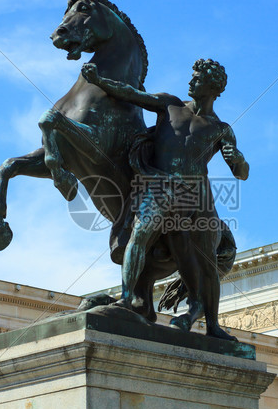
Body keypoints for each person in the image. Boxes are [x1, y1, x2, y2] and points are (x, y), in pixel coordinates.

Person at [81, 59, 249, 339]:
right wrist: (99, 80)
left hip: (194, 196)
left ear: (213, 87)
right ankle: (127, 297)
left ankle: (213, 325)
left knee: (205, 261)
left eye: (197, 78)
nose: (191, 81)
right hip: (159, 186)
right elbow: (131, 94)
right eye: (192, 76)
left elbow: (241, 173)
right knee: (139, 234)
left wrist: (239, 161)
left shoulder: (220, 129)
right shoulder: (169, 104)